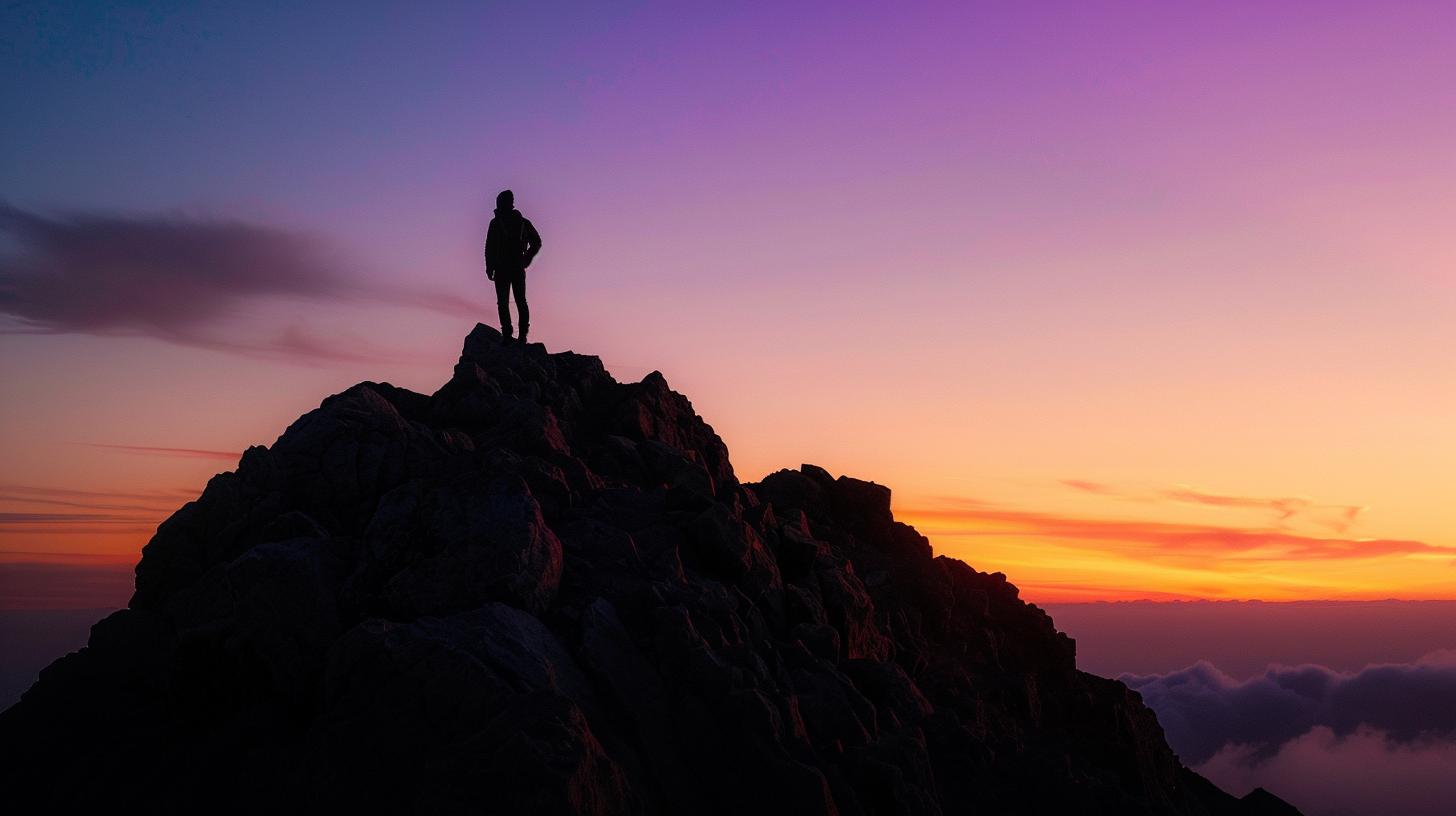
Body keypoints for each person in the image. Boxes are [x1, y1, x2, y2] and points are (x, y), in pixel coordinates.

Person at [483, 189, 542, 343]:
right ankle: (509, 334)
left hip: (513, 267)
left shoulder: (521, 222)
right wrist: (489, 266)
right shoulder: (496, 223)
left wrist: (526, 259)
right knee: (508, 302)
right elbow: (489, 247)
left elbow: (536, 242)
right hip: (505, 267)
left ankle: (520, 335)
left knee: (517, 301)